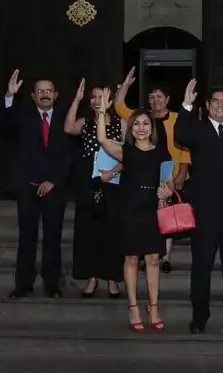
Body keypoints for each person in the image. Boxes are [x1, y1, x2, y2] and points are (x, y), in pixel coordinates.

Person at [173, 79, 223, 334]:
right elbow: (179, 136)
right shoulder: (196, 130)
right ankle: (200, 316)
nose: (220, 106)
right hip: (205, 212)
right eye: (215, 102)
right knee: (202, 266)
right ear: (207, 105)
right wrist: (186, 104)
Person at [96, 87, 174, 331]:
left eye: (146, 123)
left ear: (152, 127)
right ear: (132, 128)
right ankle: (133, 308)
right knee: (131, 259)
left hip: (152, 210)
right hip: (129, 210)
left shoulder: (162, 152)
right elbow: (102, 140)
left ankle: (153, 306)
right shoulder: (125, 151)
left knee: (153, 259)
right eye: (137, 123)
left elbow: (169, 183)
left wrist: (168, 191)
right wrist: (101, 112)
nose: (141, 127)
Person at [114, 67, 191, 273]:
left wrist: (181, 175)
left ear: (167, 99)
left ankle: (164, 257)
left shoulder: (178, 119)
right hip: (143, 178)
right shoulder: (142, 118)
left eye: (159, 97)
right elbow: (119, 106)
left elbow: (185, 150)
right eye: (152, 97)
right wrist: (126, 86)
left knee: (167, 216)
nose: (156, 101)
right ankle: (144, 253)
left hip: (170, 178)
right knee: (147, 219)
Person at [3, 71, 72, 299]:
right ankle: (23, 284)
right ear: (33, 96)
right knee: (27, 237)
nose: (44, 95)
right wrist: (9, 96)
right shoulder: (22, 116)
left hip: (54, 187)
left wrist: (53, 181)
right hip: (27, 186)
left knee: (53, 237)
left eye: (48, 91)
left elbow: (69, 156)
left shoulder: (66, 118)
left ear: (56, 95)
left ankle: (52, 285)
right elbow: (7, 125)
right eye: (40, 91)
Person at [63, 78, 124, 298]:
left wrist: (114, 172)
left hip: (114, 182)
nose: (98, 100)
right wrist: (77, 99)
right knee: (87, 231)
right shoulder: (86, 121)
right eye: (94, 97)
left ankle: (112, 280)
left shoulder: (121, 123)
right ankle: (91, 278)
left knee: (111, 231)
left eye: (102, 96)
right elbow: (68, 128)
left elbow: (131, 155)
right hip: (89, 181)